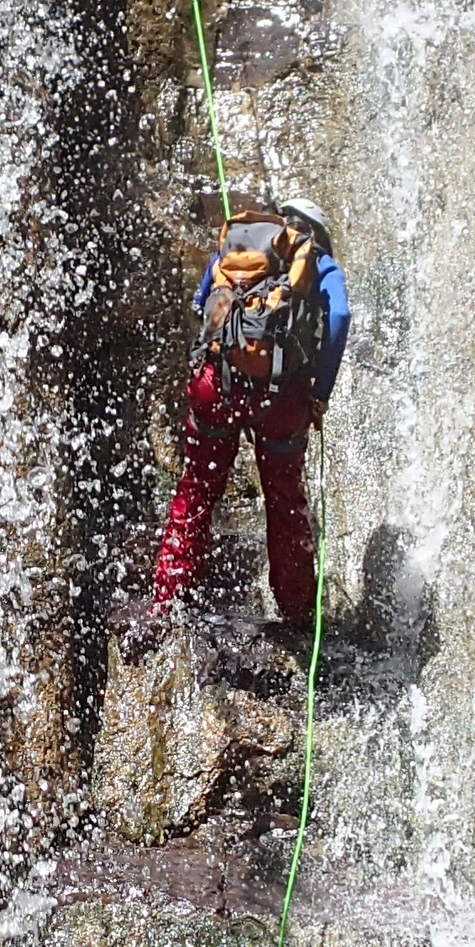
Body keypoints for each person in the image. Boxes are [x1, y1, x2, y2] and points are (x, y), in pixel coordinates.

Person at [134, 195, 349, 643]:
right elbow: (340, 316)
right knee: (284, 502)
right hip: (280, 399)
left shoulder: (235, 250)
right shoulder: (318, 262)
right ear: (317, 232)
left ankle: (168, 597)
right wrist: (319, 393)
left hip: (219, 387)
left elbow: (201, 305)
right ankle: (297, 616)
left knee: (196, 488)